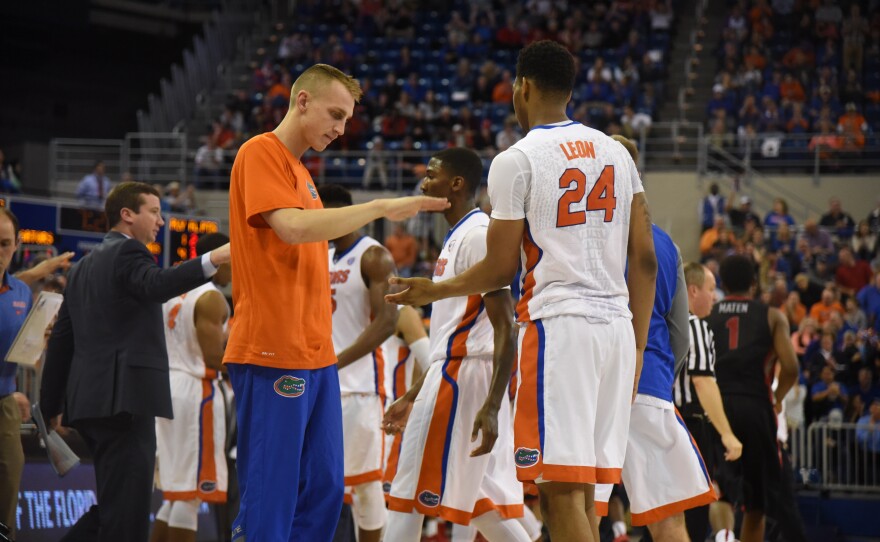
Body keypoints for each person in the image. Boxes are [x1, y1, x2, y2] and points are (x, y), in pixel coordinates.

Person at [386, 41, 658, 542]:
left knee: (559, 491)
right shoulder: (617, 152)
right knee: (590, 495)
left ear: (523, 88)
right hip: (618, 331)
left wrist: (434, 289)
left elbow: (498, 268)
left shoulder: (517, 159)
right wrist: (639, 345)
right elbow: (644, 260)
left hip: (561, 327)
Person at [221, 63, 447, 542]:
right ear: (302, 101)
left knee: (324, 490)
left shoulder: (303, 175)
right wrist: (382, 207)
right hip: (272, 349)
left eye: (347, 120)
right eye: (335, 114)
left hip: (319, 355)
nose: (342, 130)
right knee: (272, 494)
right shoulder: (259, 151)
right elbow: (291, 228)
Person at [39, 182, 231, 542]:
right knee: (126, 519)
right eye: (154, 212)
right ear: (127, 215)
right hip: (124, 403)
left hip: (89, 405)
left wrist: (50, 405)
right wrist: (213, 259)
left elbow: (63, 340)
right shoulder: (130, 254)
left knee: (115, 507)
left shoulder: (82, 268)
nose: (161, 220)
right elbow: (156, 284)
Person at [383, 147, 530, 541]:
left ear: (457, 183)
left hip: (463, 377)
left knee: (408, 493)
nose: (424, 182)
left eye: (432, 174)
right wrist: (414, 394)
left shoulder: (479, 235)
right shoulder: (458, 236)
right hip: (454, 372)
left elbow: (506, 325)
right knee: (478, 500)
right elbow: (452, 331)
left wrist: (494, 404)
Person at [595, 136, 709, 542]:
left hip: (590, 381)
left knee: (578, 509)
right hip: (649, 386)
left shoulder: (581, 233)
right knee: (667, 517)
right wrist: (658, 374)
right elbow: (681, 335)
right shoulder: (664, 243)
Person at [320, 183, 399, 542]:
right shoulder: (320, 254)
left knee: (366, 485)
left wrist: (335, 362)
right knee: (324, 483)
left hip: (360, 386)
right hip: (321, 383)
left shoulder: (373, 255)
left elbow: (387, 321)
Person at [705, 255, 800, 542]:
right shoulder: (771, 315)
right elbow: (792, 367)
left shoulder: (709, 315)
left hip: (716, 406)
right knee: (756, 502)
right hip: (756, 406)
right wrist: (777, 396)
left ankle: (723, 536)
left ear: (721, 282)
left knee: (718, 488)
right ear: (754, 283)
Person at [151, 233, 233, 542]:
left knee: (176, 493)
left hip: (167, 388)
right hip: (194, 394)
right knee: (190, 494)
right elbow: (214, 357)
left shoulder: (174, 288)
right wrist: (258, 363)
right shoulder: (211, 297)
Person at [676, 263, 743, 542]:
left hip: (668, 422)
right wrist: (727, 434)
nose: (715, 297)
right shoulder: (696, 326)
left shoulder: (669, 324)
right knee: (692, 516)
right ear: (693, 291)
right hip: (691, 426)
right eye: (711, 289)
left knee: (665, 513)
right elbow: (702, 382)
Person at [0, 209, 33, 538]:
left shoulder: (21, 293)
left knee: (12, 471)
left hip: (5, 402)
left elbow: (24, 350)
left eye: (4, 244)